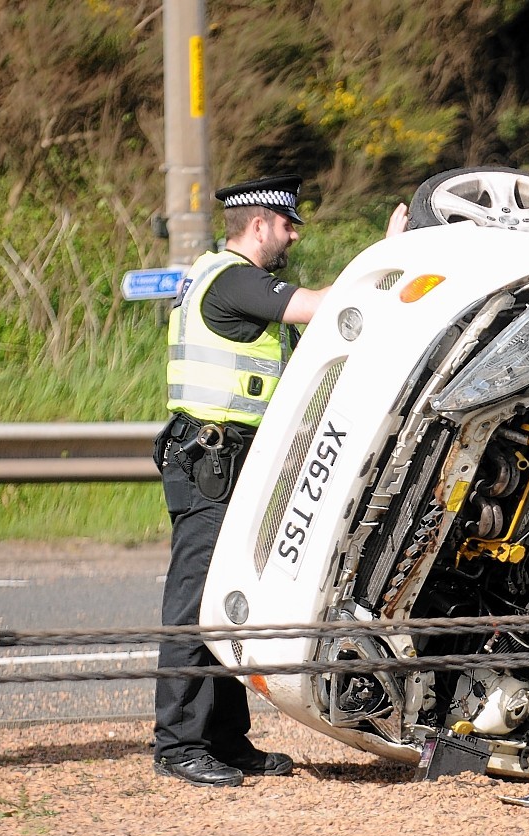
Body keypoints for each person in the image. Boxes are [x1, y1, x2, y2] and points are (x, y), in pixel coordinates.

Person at [152, 175, 405, 787]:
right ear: (259, 224)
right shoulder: (233, 277)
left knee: (227, 605)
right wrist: (388, 256)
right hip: (210, 461)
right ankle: (178, 745)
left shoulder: (217, 276)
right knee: (193, 606)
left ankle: (225, 739)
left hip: (229, 460)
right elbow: (325, 307)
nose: (293, 235)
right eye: (287, 224)